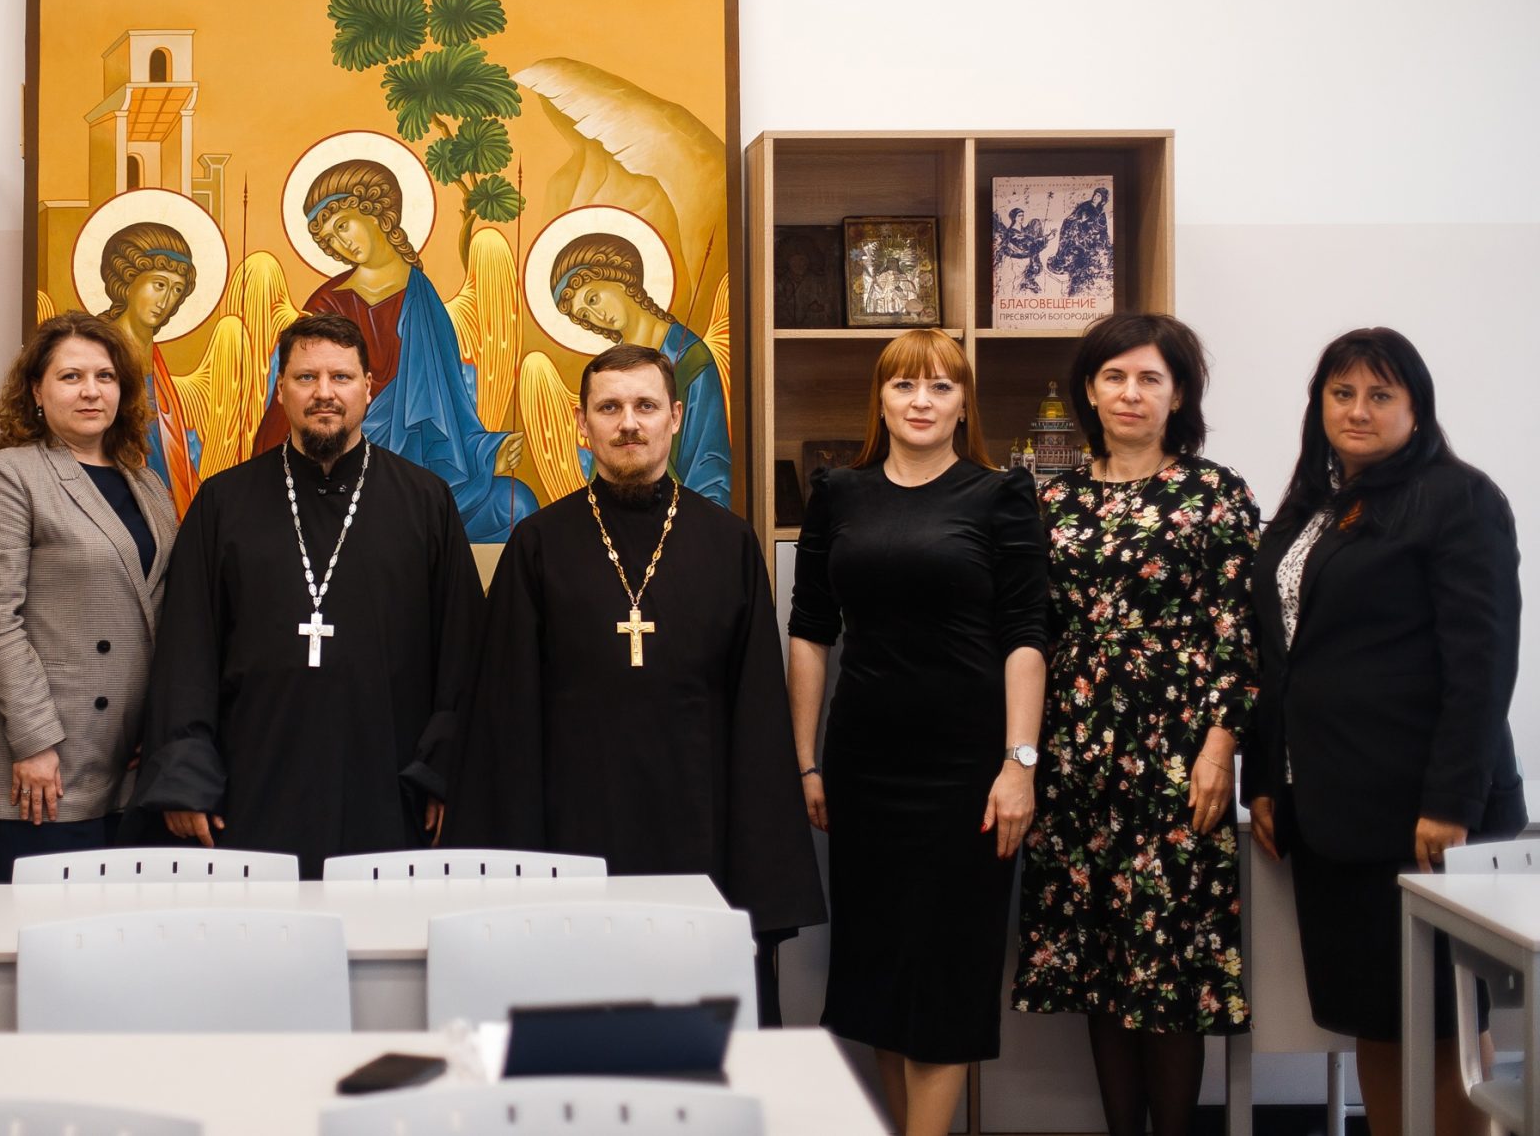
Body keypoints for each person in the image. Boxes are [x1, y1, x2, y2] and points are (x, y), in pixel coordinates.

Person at [446, 342, 823, 1018]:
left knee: (699, 1044)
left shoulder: (729, 543)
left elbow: (757, 715)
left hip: (703, 836)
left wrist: (760, 879)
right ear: (582, 423)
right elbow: (506, 718)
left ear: (675, 417)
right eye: (610, 408)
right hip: (571, 841)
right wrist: (515, 875)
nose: (628, 423)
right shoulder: (538, 544)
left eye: (645, 406)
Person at [1246, 327, 1523, 1136]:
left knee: (1440, 1022)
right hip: (1331, 817)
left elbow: (1482, 663)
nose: (1358, 410)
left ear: (1416, 407)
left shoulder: (1457, 497)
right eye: (1342, 393)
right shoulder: (1314, 506)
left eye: (1380, 394)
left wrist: (1452, 800)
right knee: (1380, 1016)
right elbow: (1279, 657)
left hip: (1422, 816)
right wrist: (1266, 780)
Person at [787, 328, 1049, 1136]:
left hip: (967, 772)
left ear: (964, 403)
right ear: (882, 399)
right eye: (905, 385)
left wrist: (1019, 762)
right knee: (878, 973)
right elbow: (810, 631)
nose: (922, 401)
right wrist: (804, 760)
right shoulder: (837, 491)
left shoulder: (1000, 494)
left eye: (940, 386)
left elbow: (1026, 635)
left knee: (944, 976)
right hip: (864, 765)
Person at [1011, 313, 1261, 1136]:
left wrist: (1220, 746)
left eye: (1150, 378)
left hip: (1178, 756)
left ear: (1178, 394)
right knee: (1099, 964)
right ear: (1089, 389)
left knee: (1170, 966)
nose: (1130, 392)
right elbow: (1033, 630)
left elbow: (1239, 630)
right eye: (1114, 376)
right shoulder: (1052, 498)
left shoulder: (1215, 492)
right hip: (1078, 752)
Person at [133, 312, 484, 877]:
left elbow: (461, 650)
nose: (325, 393)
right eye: (306, 377)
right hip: (252, 780)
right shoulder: (223, 502)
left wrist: (444, 773)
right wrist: (183, 775)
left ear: (369, 388)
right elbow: (187, 648)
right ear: (281, 390)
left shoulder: (425, 501)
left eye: (341, 377)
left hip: (388, 780)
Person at [0, 310, 177, 883]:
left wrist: (156, 727)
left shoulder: (146, 482)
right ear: (36, 390)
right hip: (45, 765)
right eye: (71, 376)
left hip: (130, 761)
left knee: (123, 930)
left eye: (105, 377)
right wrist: (33, 743)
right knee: (46, 932)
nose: (91, 391)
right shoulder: (8, 475)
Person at [251, 156, 532, 541]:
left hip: (426, 471)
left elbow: (451, 401)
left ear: (374, 209)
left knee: (514, 504)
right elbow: (294, 404)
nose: (341, 243)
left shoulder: (422, 295)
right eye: (330, 239)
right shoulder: (326, 303)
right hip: (349, 470)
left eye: (343, 225)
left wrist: (485, 452)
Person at [548, 234, 733, 506]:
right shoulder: (604, 373)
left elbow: (709, 462)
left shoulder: (690, 358)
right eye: (585, 315)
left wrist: (695, 520)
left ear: (617, 276)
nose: (597, 317)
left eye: (593, 299)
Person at [96, 220, 204, 515]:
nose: (166, 300)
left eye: (177, 289)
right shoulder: (99, 347)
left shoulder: (155, 358)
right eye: (159, 285)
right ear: (128, 279)